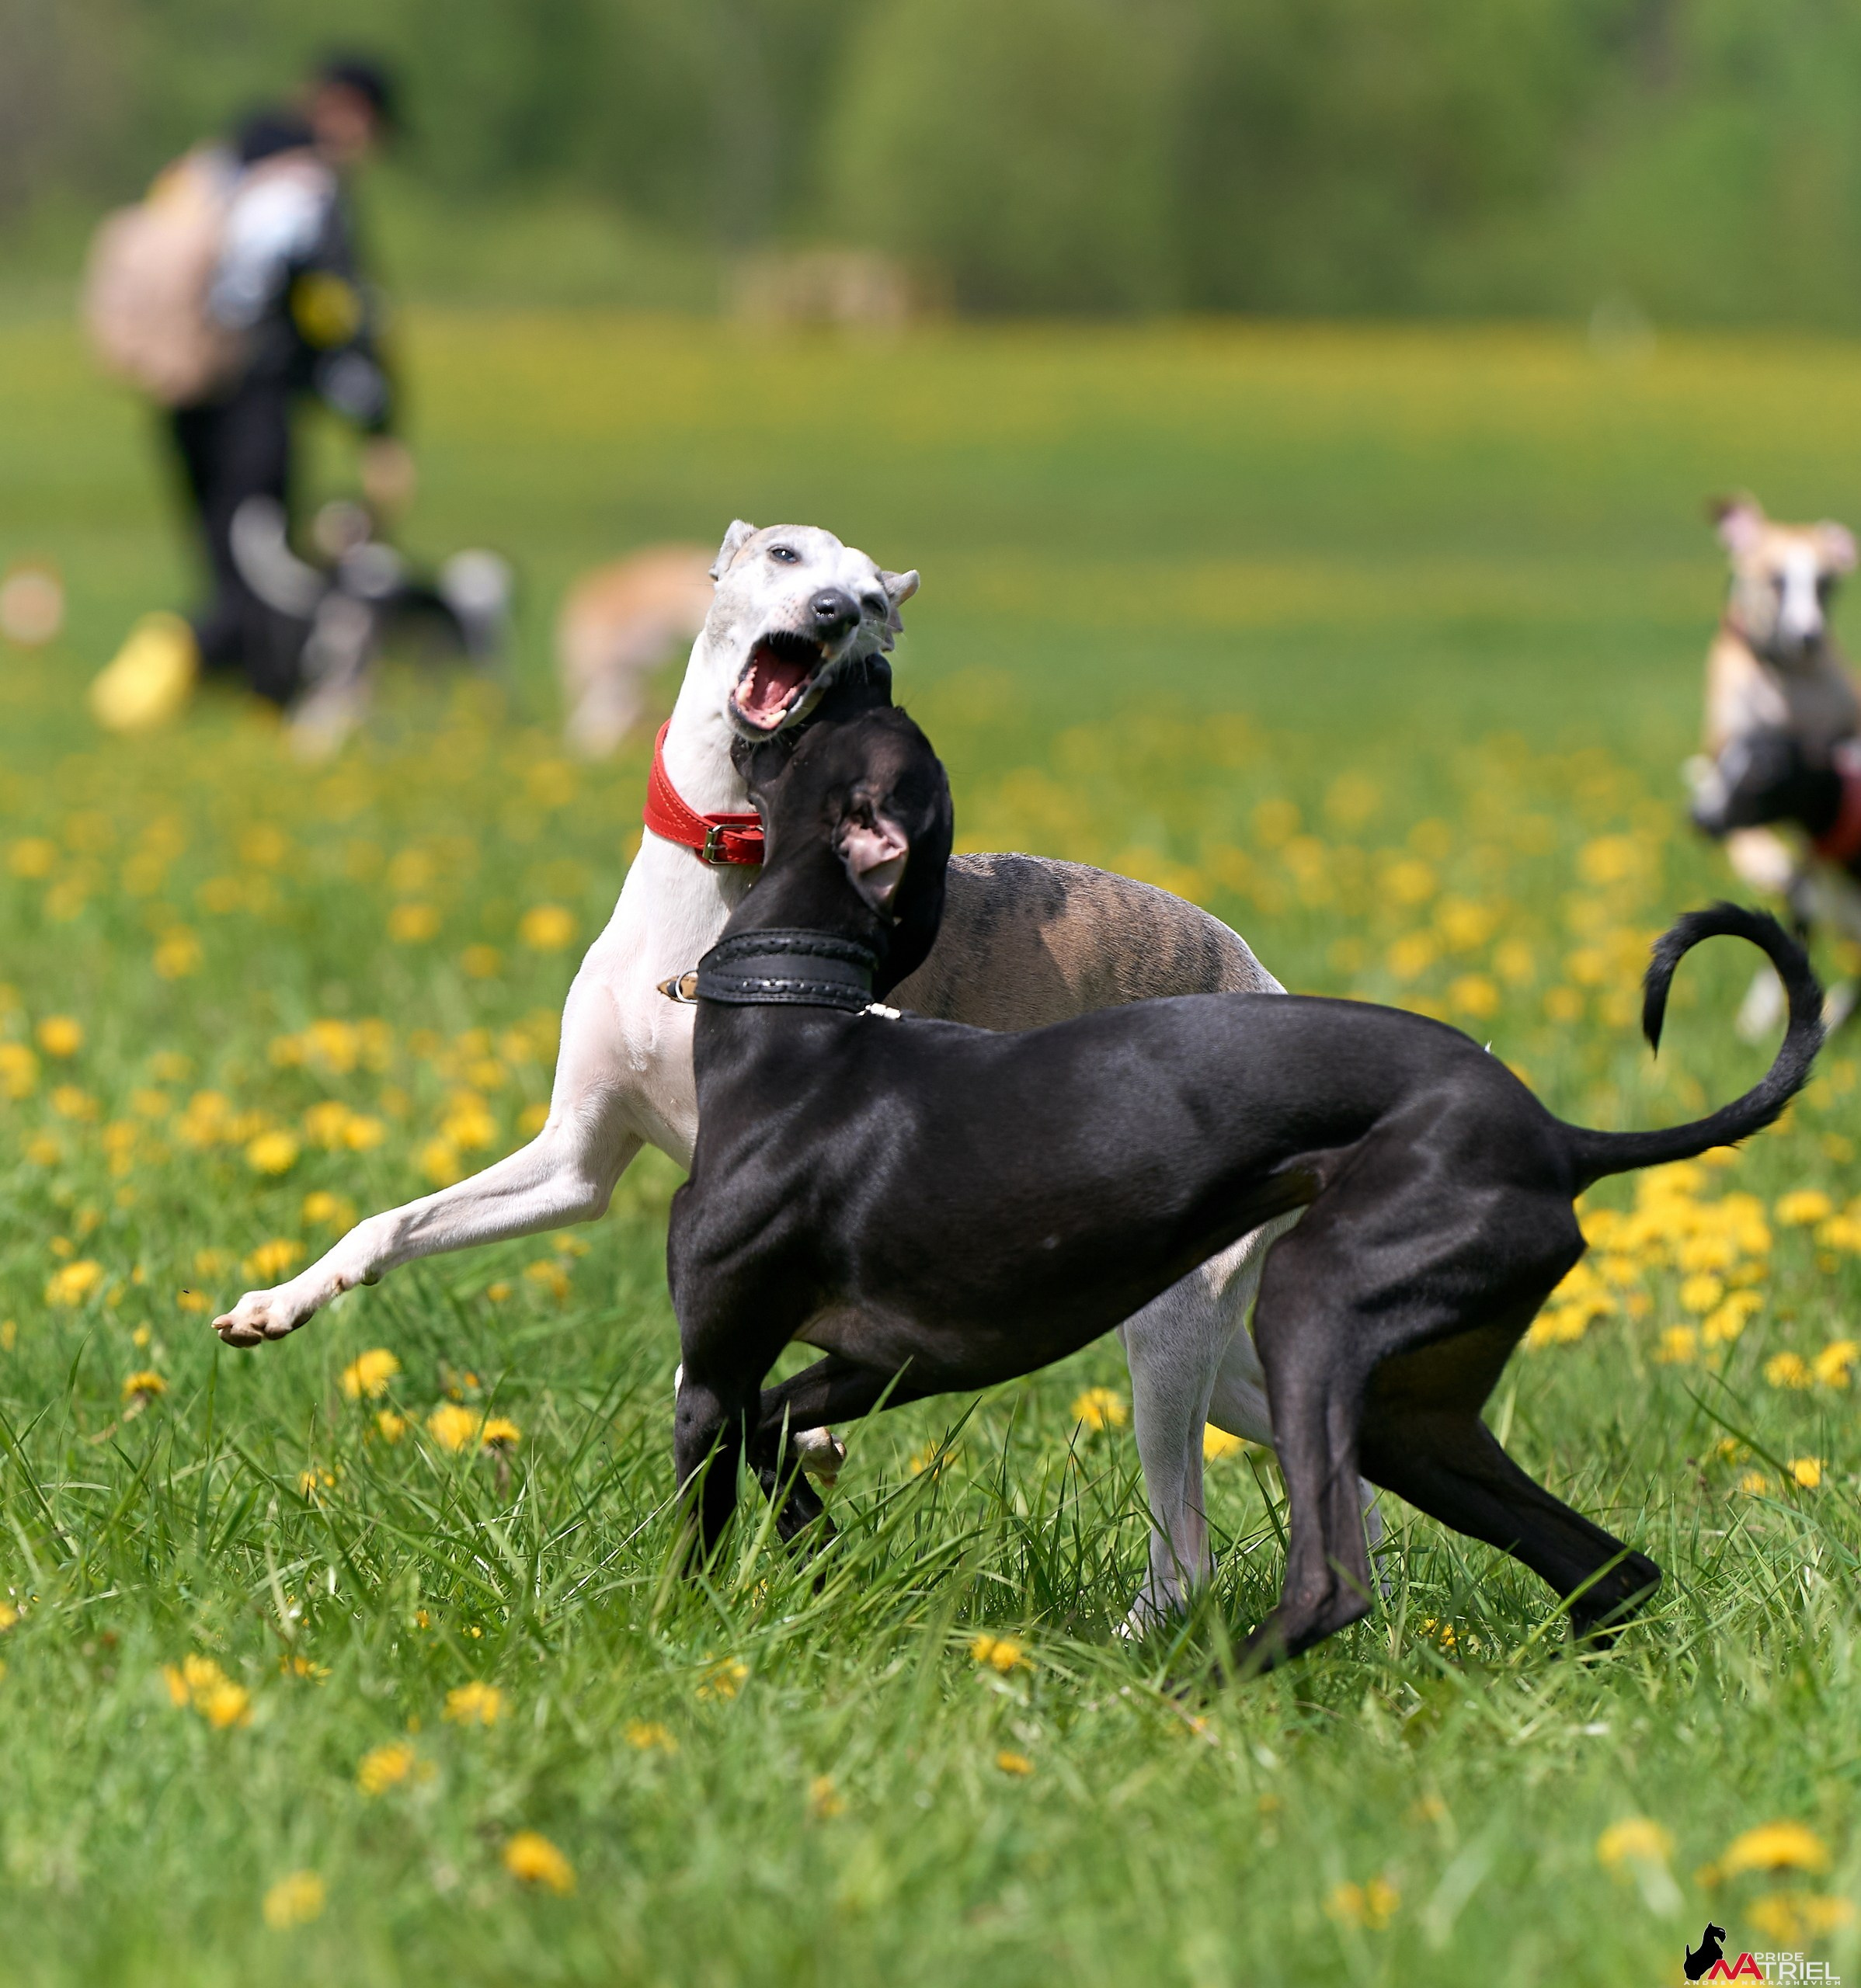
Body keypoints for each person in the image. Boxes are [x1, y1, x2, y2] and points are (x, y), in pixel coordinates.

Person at [91, 56, 413, 728]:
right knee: (264, 569)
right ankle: (160, 681)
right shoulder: (308, 189)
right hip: (251, 400)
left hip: (183, 390)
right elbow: (340, 313)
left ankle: (239, 696)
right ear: (351, 113)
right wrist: (379, 427)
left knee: (226, 560)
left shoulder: (215, 163)